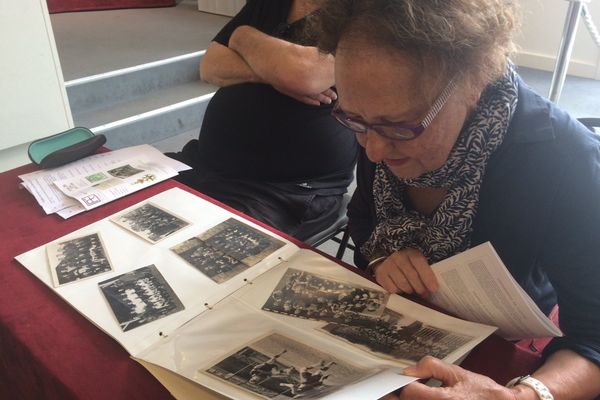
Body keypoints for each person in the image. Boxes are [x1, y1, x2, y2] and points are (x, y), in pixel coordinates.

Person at [312, 0, 600, 399]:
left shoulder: (565, 162)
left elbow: (595, 336)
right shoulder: (380, 117)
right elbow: (363, 215)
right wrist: (381, 257)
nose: (374, 150)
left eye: (401, 127)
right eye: (354, 120)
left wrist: (525, 396)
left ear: (476, 80)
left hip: (507, 347)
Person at [168, 0, 358, 241]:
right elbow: (210, 65)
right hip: (205, 164)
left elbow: (305, 75)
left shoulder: (363, 9)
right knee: (126, 205)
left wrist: (242, 37)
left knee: (198, 254)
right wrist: (272, 74)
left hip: (286, 192)